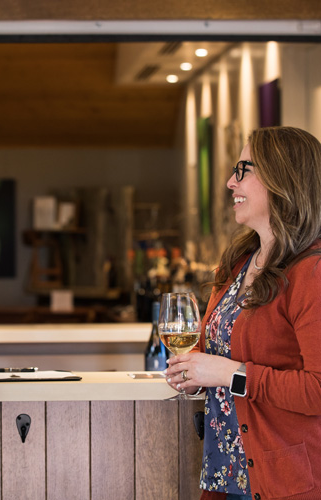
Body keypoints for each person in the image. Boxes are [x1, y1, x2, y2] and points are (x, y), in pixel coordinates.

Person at [165, 126, 321, 500]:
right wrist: (196, 373)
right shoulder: (238, 262)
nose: (229, 183)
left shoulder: (311, 273)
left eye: (242, 170)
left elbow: (317, 390)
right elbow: (216, 351)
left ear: (281, 177)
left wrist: (227, 373)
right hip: (225, 477)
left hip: (285, 482)